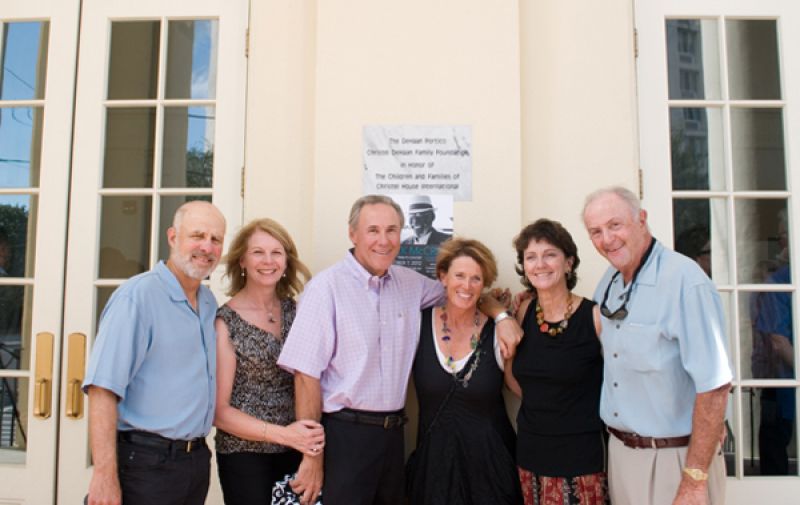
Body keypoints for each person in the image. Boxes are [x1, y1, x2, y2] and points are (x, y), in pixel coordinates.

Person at [277, 194, 521, 505]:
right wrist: (311, 457)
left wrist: (501, 316)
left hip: (394, 437)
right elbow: (305, 377)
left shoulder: (410, 284)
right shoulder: (325, 289)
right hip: (345, 436)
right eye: (373, 230)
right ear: (353, 234)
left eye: (392, 230)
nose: (384, 240)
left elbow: (465, 293)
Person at [582, 186, 732, 505]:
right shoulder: (609, 280)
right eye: (596, 231)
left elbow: (715, 386)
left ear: (642, 219)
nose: (607, 239)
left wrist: (694, 481)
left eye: (615, 225)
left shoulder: (685, 282)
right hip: (623, 456)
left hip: (675, 460)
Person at [82, 201, 226, 505]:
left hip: (195, 461)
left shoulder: (209, 303)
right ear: (173, 237)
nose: (207, 247)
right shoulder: (138, 297)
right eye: (197, 235)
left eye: (216, 239)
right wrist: (104, 475)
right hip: (146, 463)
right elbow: (102, 389)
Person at [213, 218, 325, 504]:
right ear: (242, 261)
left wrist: (307, 448)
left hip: (296, 451)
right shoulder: (225, 322)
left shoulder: (297, 311)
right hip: (245, 455)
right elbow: (219, 412)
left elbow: (312, 381)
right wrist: (284, 436)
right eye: (258, 252)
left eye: (276, 252)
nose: (268, 261)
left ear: (287, 261)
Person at [406, 238, 522, 504]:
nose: (467, 286)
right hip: (433, 472)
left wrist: (503, 317)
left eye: (476, 279)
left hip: (492, 474)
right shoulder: (418, 324)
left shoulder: (498, 331)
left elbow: (519, 387)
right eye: (459, 275)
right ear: (443, 277)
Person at [505, 219, 608, 505]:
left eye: (550, 254)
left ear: (568, 263)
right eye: (531, 257)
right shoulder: (523, 311)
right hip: (531, 452)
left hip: (580, 459)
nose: (540, 264)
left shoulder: (595, 317)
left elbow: (621, 383)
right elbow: (512, 377)